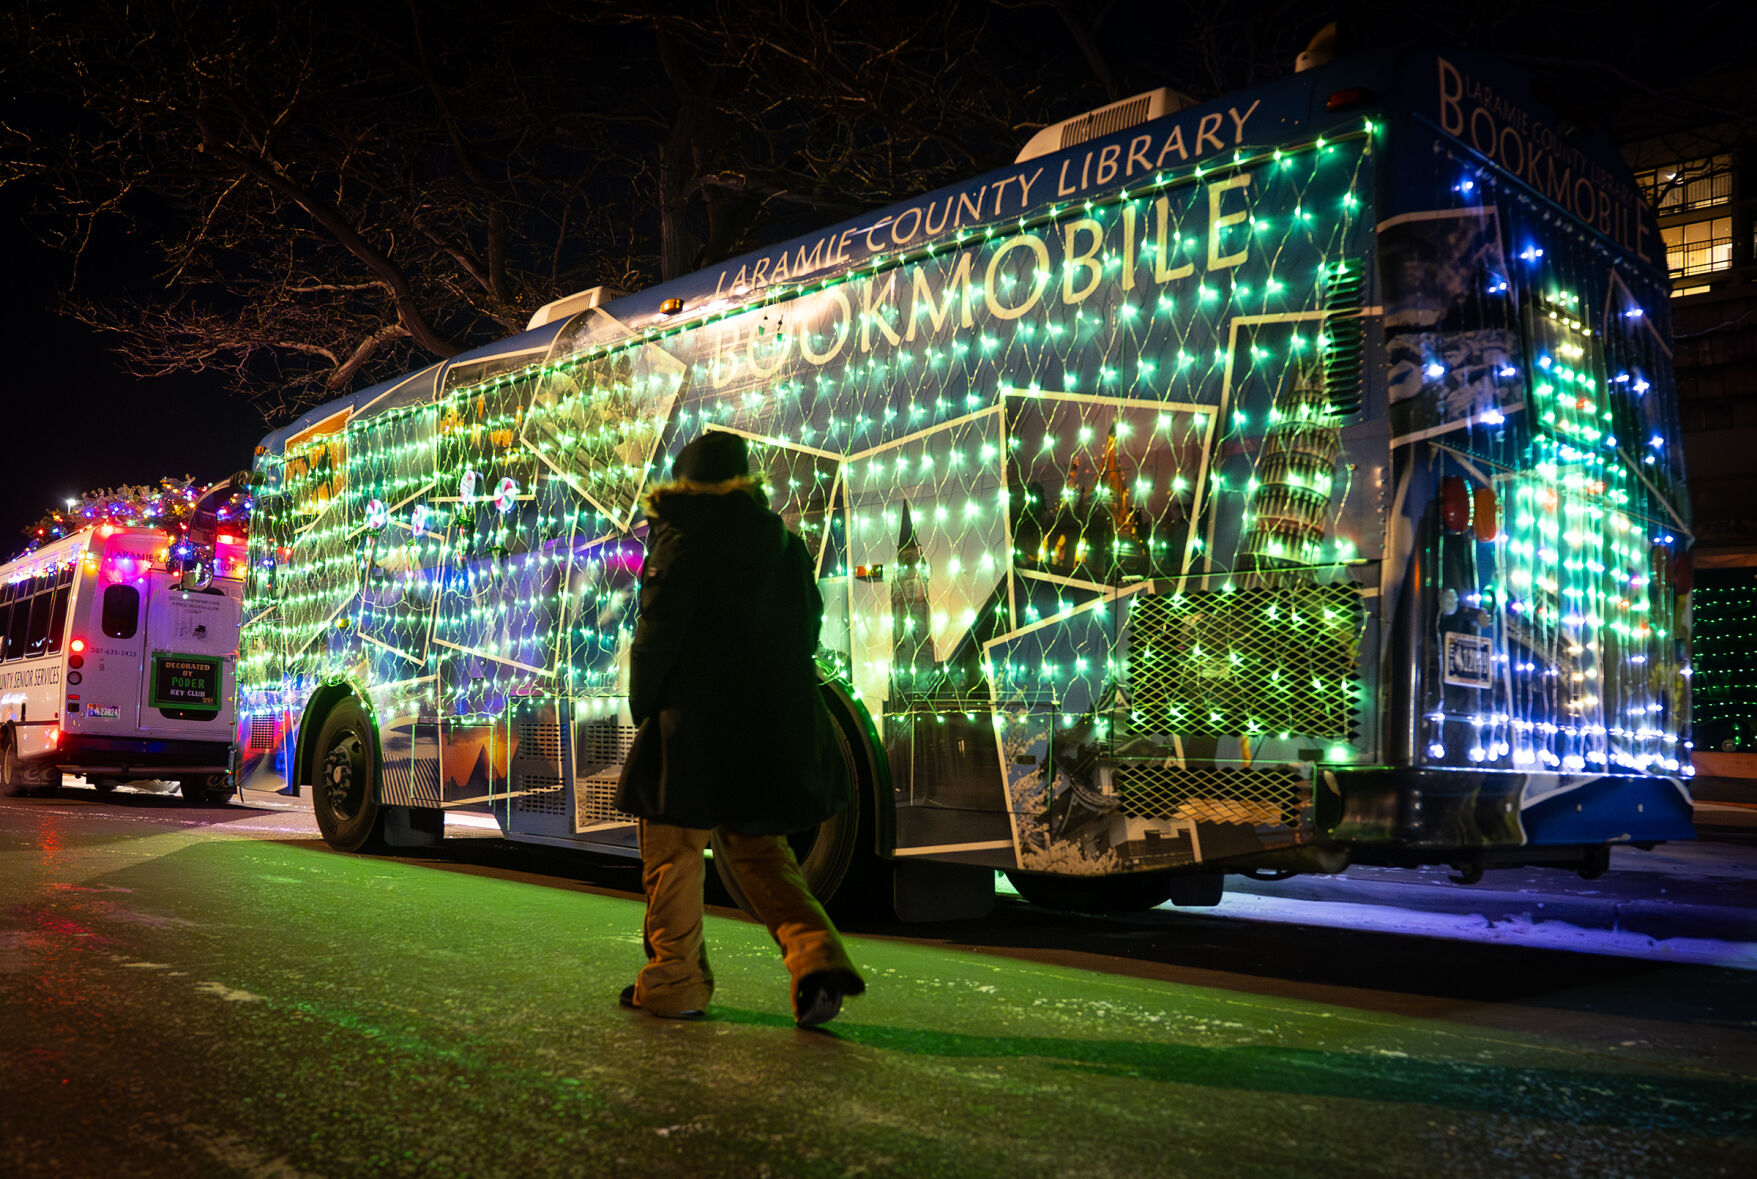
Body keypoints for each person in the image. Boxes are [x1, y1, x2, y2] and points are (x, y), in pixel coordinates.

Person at [615, 431, 866, 1028]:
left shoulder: (678, 540)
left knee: (673, 852)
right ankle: (816, 957)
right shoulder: (785, 546)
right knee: (759, 851)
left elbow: (657, 637)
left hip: (693, 727)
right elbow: (808, 631)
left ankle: (675, 984)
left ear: (684, 483)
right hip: (769, 724)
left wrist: (644, 704)